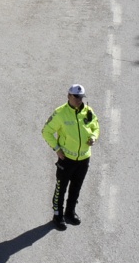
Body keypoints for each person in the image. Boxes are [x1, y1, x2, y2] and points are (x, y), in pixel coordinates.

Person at [42, 83, 100, 231]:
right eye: (76, 97)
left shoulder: (88, 111)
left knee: (76, 188)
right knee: (61, 188)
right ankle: (58, 215)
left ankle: (70, 212)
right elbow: (46, 131)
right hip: (66, 159)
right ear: (68, 96)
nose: (79, 100)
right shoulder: (60, 113)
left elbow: (96, 126)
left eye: (81, 98)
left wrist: (93, 136)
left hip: (84, 159)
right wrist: (57, 149)